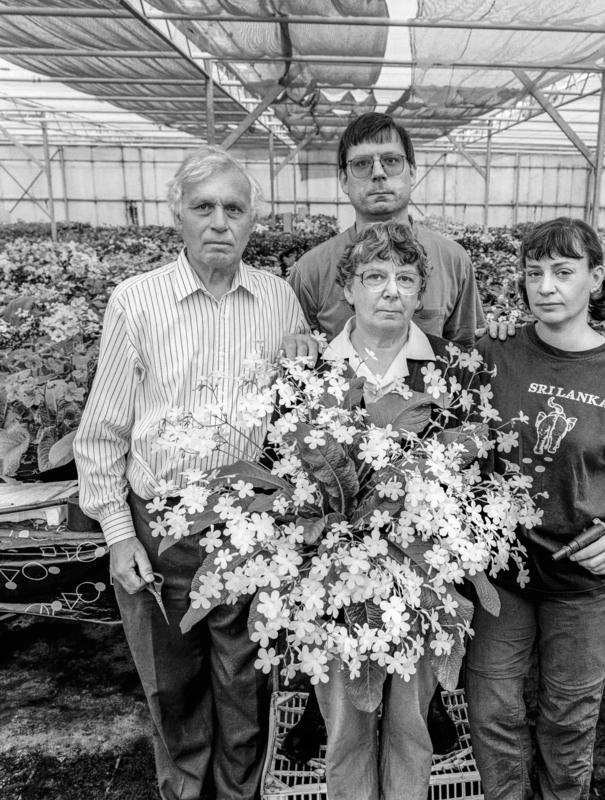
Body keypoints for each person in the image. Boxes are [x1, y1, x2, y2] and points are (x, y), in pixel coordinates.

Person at [74, 146, 308, 800]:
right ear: (176, 211)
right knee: (172, 686)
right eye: (203, 206)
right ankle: (185, 792)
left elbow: (295, 418)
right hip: (162, 530)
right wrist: (120, 536)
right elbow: (103, 431)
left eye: (234, 209)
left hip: (246, 525)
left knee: (244, 683)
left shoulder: (278, 301)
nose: (219, 222)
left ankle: (239, 793)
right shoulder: (137, 302)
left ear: (252, 221)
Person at [466, 218, 605, 800]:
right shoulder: (493, 351)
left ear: (595, 277)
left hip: (585, 579)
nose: (546, 286)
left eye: (563, 272)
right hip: (501, 574)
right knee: (492, 711)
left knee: (568, 719)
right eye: (534, 274)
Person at [312, 220, 471, 800]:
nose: (391, 291)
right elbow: (289, 478)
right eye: (374, 276)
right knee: (346, 733)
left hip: (420, 582)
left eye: (405, 278)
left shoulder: (448, 370)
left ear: (421, 291)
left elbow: (470, 471)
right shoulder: (311, 371)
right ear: (347, 289)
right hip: (336, 584)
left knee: (411, 728)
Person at [289, 111, 487, 351]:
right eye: (361, 164)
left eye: (391, 161)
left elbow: (466, 351)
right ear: (343, 179)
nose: (378, 173)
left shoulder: (453, 260)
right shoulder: (312, 270)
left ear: (412, 172)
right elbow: (296, 354)